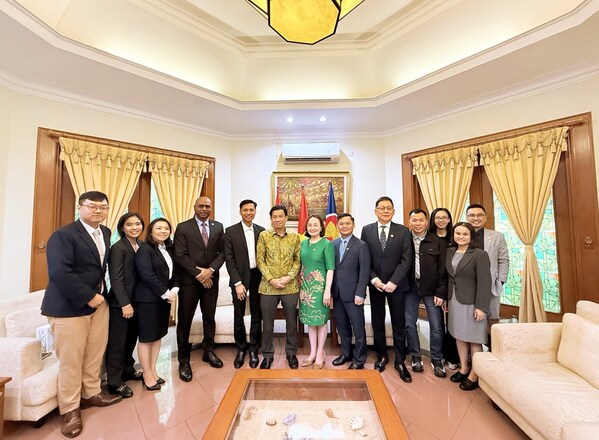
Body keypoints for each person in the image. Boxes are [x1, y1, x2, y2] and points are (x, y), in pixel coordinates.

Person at [41, 190, 121, 438]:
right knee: (71, 361)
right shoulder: (63, 235)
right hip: (69, 307)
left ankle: (92, 393)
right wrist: (89, 296)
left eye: (103, 207)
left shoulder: (105, 232)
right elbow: (60, 272)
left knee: (94, 354)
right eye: (92, 206)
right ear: (80, 207)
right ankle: (70, 410)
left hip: (99, 305)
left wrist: (100, 297)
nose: (98, 210)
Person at [361, 196, 413, 383]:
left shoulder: (403, 231)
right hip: (376, 285)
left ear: (393, 211)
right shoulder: (367, 230)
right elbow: (365, 258)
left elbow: (406, 260)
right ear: (375, 211)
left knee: (399, 323)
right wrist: (374, 279)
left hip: (396, 286)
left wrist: (394, 282)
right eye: (381, 208)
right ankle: (382, 355)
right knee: (378, 322)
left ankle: (400, 361)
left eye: (388, 208)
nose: (385, 211)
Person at [174, 196, 225, 381]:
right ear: (194, 207)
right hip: (189, 281)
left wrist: (210, 271)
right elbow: (180, 255)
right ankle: (183, 360)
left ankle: (208, 351)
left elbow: (222, 253)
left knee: (209, 317)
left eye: (207, 206)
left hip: (211, 280)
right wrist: (199, 274)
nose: (204, 209)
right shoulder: (183, 227)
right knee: (185, 319)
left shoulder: (218, 227)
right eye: (201, 206)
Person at [446, 222, 492, 391]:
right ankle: (464, 368)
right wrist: (446, 299)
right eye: (458, 233)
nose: (461, 237)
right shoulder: (450, 251)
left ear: (471, 236)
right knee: (459, 335)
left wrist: (481, 307)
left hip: (472, 303)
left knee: (474, 338)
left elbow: (485, 282)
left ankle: (474, 374)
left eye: (465, 234)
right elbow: (450, 278)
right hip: (454, 300)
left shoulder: (480, 254)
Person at [135, 218, 179, 390]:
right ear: (151, 231)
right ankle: (146, 374)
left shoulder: (168, 248)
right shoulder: (145, 249)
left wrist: (174, 289)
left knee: (157, 335)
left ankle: (153, 370)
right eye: (159, 228)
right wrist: (166, 293)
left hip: (163, 300)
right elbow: (147, 275)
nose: (163, 231)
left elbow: (174, 272)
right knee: (147, 338)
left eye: (166, 228)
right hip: (147, 300)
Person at [256, 204, 302, 370]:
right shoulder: (264, 236)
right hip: (268, 288)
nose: (277, 219)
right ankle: (267, 355)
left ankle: (291, 353)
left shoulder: (295, 238)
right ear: (271, 219)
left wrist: (288, 277)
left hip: (290, 287)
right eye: (274, 217)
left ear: (286, 218)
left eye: (280, 216)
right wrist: (271, 279)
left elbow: (298, 260)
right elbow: (260, 260)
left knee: (291, 323)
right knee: (268, 324)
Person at [105, 212, 145, 399]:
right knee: (117, 343)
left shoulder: (141, 245)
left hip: (138, 301)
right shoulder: (118, 248)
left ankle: (128, 369)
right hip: (120, 303)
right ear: (122, 227)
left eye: (138, 224)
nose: (134, 227)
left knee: (131, 339)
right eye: (130, 224)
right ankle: (114, 382)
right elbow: (116, 278)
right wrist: (124, 304)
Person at [405, 209, 448, 377]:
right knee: (409, 323)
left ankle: (437, 358)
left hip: (432, 290)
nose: (417, 223)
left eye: (420, 220)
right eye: (414, 220)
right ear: (409, 222)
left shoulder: (437, 242)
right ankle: (416, 356)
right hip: (409, 288)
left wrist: (441, 293)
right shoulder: (404, 240)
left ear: (426, 222)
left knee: (436, 326)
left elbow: (443, 270)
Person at [224, 199, 265, 369]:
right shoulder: (230, 231)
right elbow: (229, 259)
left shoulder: (261, 231)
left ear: (255, 211)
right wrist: (237, 282)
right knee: (238, 315)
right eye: (245, 210)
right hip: (239, 277)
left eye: (251, 210)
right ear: (240, 211)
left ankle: (254, 349)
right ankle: (241, 349)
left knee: (256, 314)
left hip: (257, 276)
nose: (248, 212)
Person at [331, 213, 371, 370]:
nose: (345, 226)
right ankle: (346, 354)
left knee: (358, 328)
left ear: (353, 225)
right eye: (341, 224)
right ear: (337, 226)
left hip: (354, 295)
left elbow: (364, 272)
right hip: (337, 294)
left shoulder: (361, 245)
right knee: (342, 327)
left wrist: (360, 293)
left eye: (348, 223)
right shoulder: (333, 244)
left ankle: (359, 359)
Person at [299, 215, 335, 369]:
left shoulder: (327, 244)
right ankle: (312, 352)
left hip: (320, 288)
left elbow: (330, 268)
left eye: (316, 225)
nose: (312, 228)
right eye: (310, 225)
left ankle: (320, 353)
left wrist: (327, 290)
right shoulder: (303, 243)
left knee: (320, 320)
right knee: (310, 321)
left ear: (321, 227)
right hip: (305, 288)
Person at [466, 204, 510, 319]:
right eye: (472, 215)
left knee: (492, 319)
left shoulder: (497, 236)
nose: (476, 218)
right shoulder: (460, 236)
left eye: (479, 215)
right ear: (467, 218)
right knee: (469, 320)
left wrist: (501, 281)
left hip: (491, 285)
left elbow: (503, 260)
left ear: (485, 217)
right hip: (466, 285)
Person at [429, 207, 460, 370]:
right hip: (436, 287)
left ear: (449, 219)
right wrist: (440, 291)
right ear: (433, 220)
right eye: (437, 218)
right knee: (438, 325)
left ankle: (453, 357)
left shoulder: (455, 237)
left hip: (455, 286)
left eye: (444, 217)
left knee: (454, 324)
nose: (441, 220)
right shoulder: (429, 238)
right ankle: (439, 356)